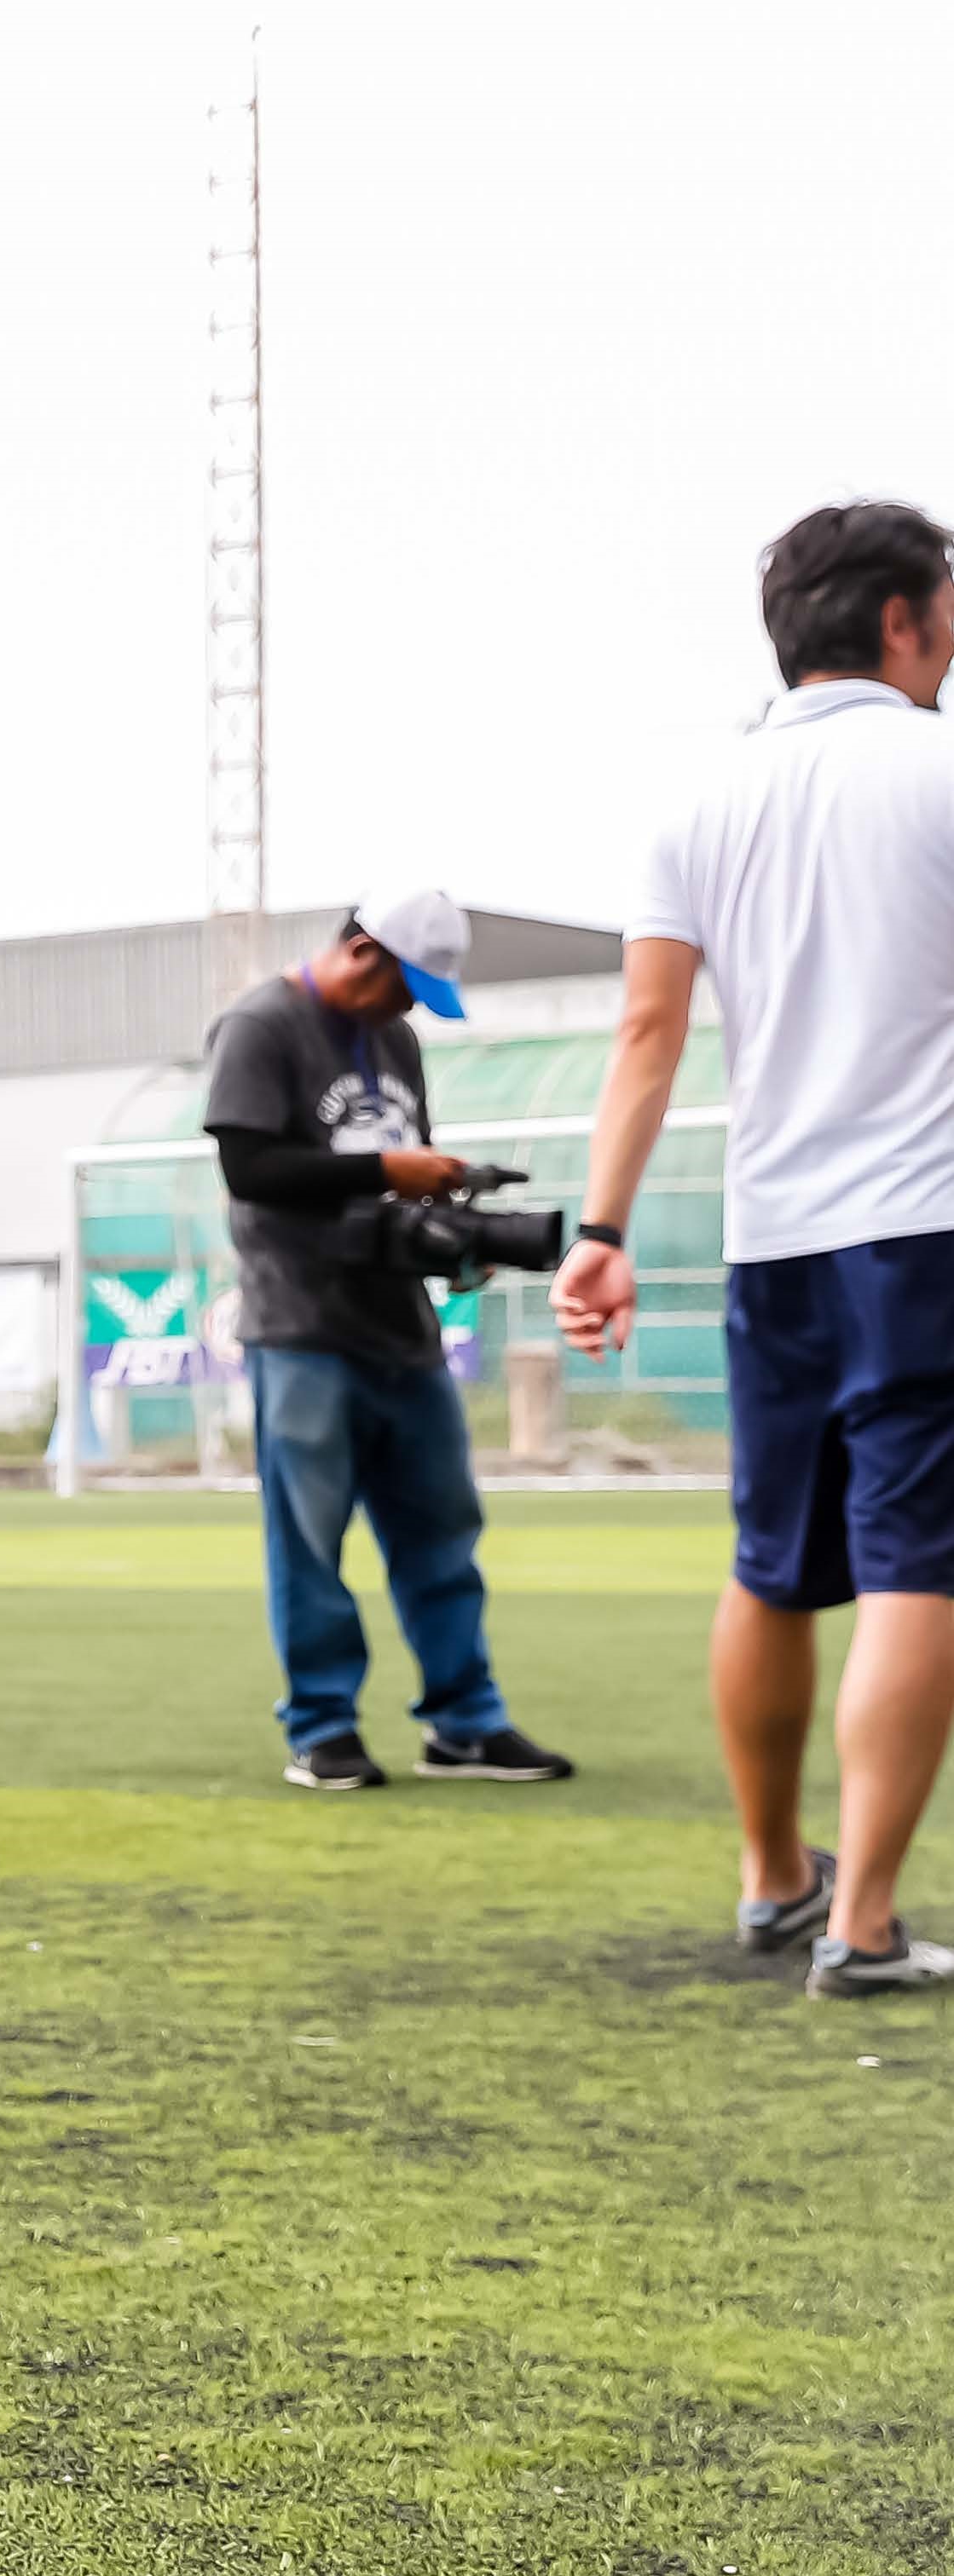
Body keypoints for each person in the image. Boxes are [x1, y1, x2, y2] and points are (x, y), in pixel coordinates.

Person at [558, 500, 954, 1997]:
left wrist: (599, 1231)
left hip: (771, 1236)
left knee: (773, 1566)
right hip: (925, 1227)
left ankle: (771, 1875)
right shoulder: (939, 764)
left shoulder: (696, 802)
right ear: (905, 620)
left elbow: (646, 1032)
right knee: (919, 1562)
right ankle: (863, 1924)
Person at [203, 889, 575, 1793]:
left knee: (442, 1532)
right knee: (309, 1540)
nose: (410, 1008)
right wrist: (383, 1170)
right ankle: (322, 1729)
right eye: (405, 986)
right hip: (300, 1325)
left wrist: (452, 1230)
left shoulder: (394, 1040)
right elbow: (246, 1168)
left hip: (400, 1329)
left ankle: (465, 1724)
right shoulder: (259, 1024)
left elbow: (399, 1171)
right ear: (362, 951)